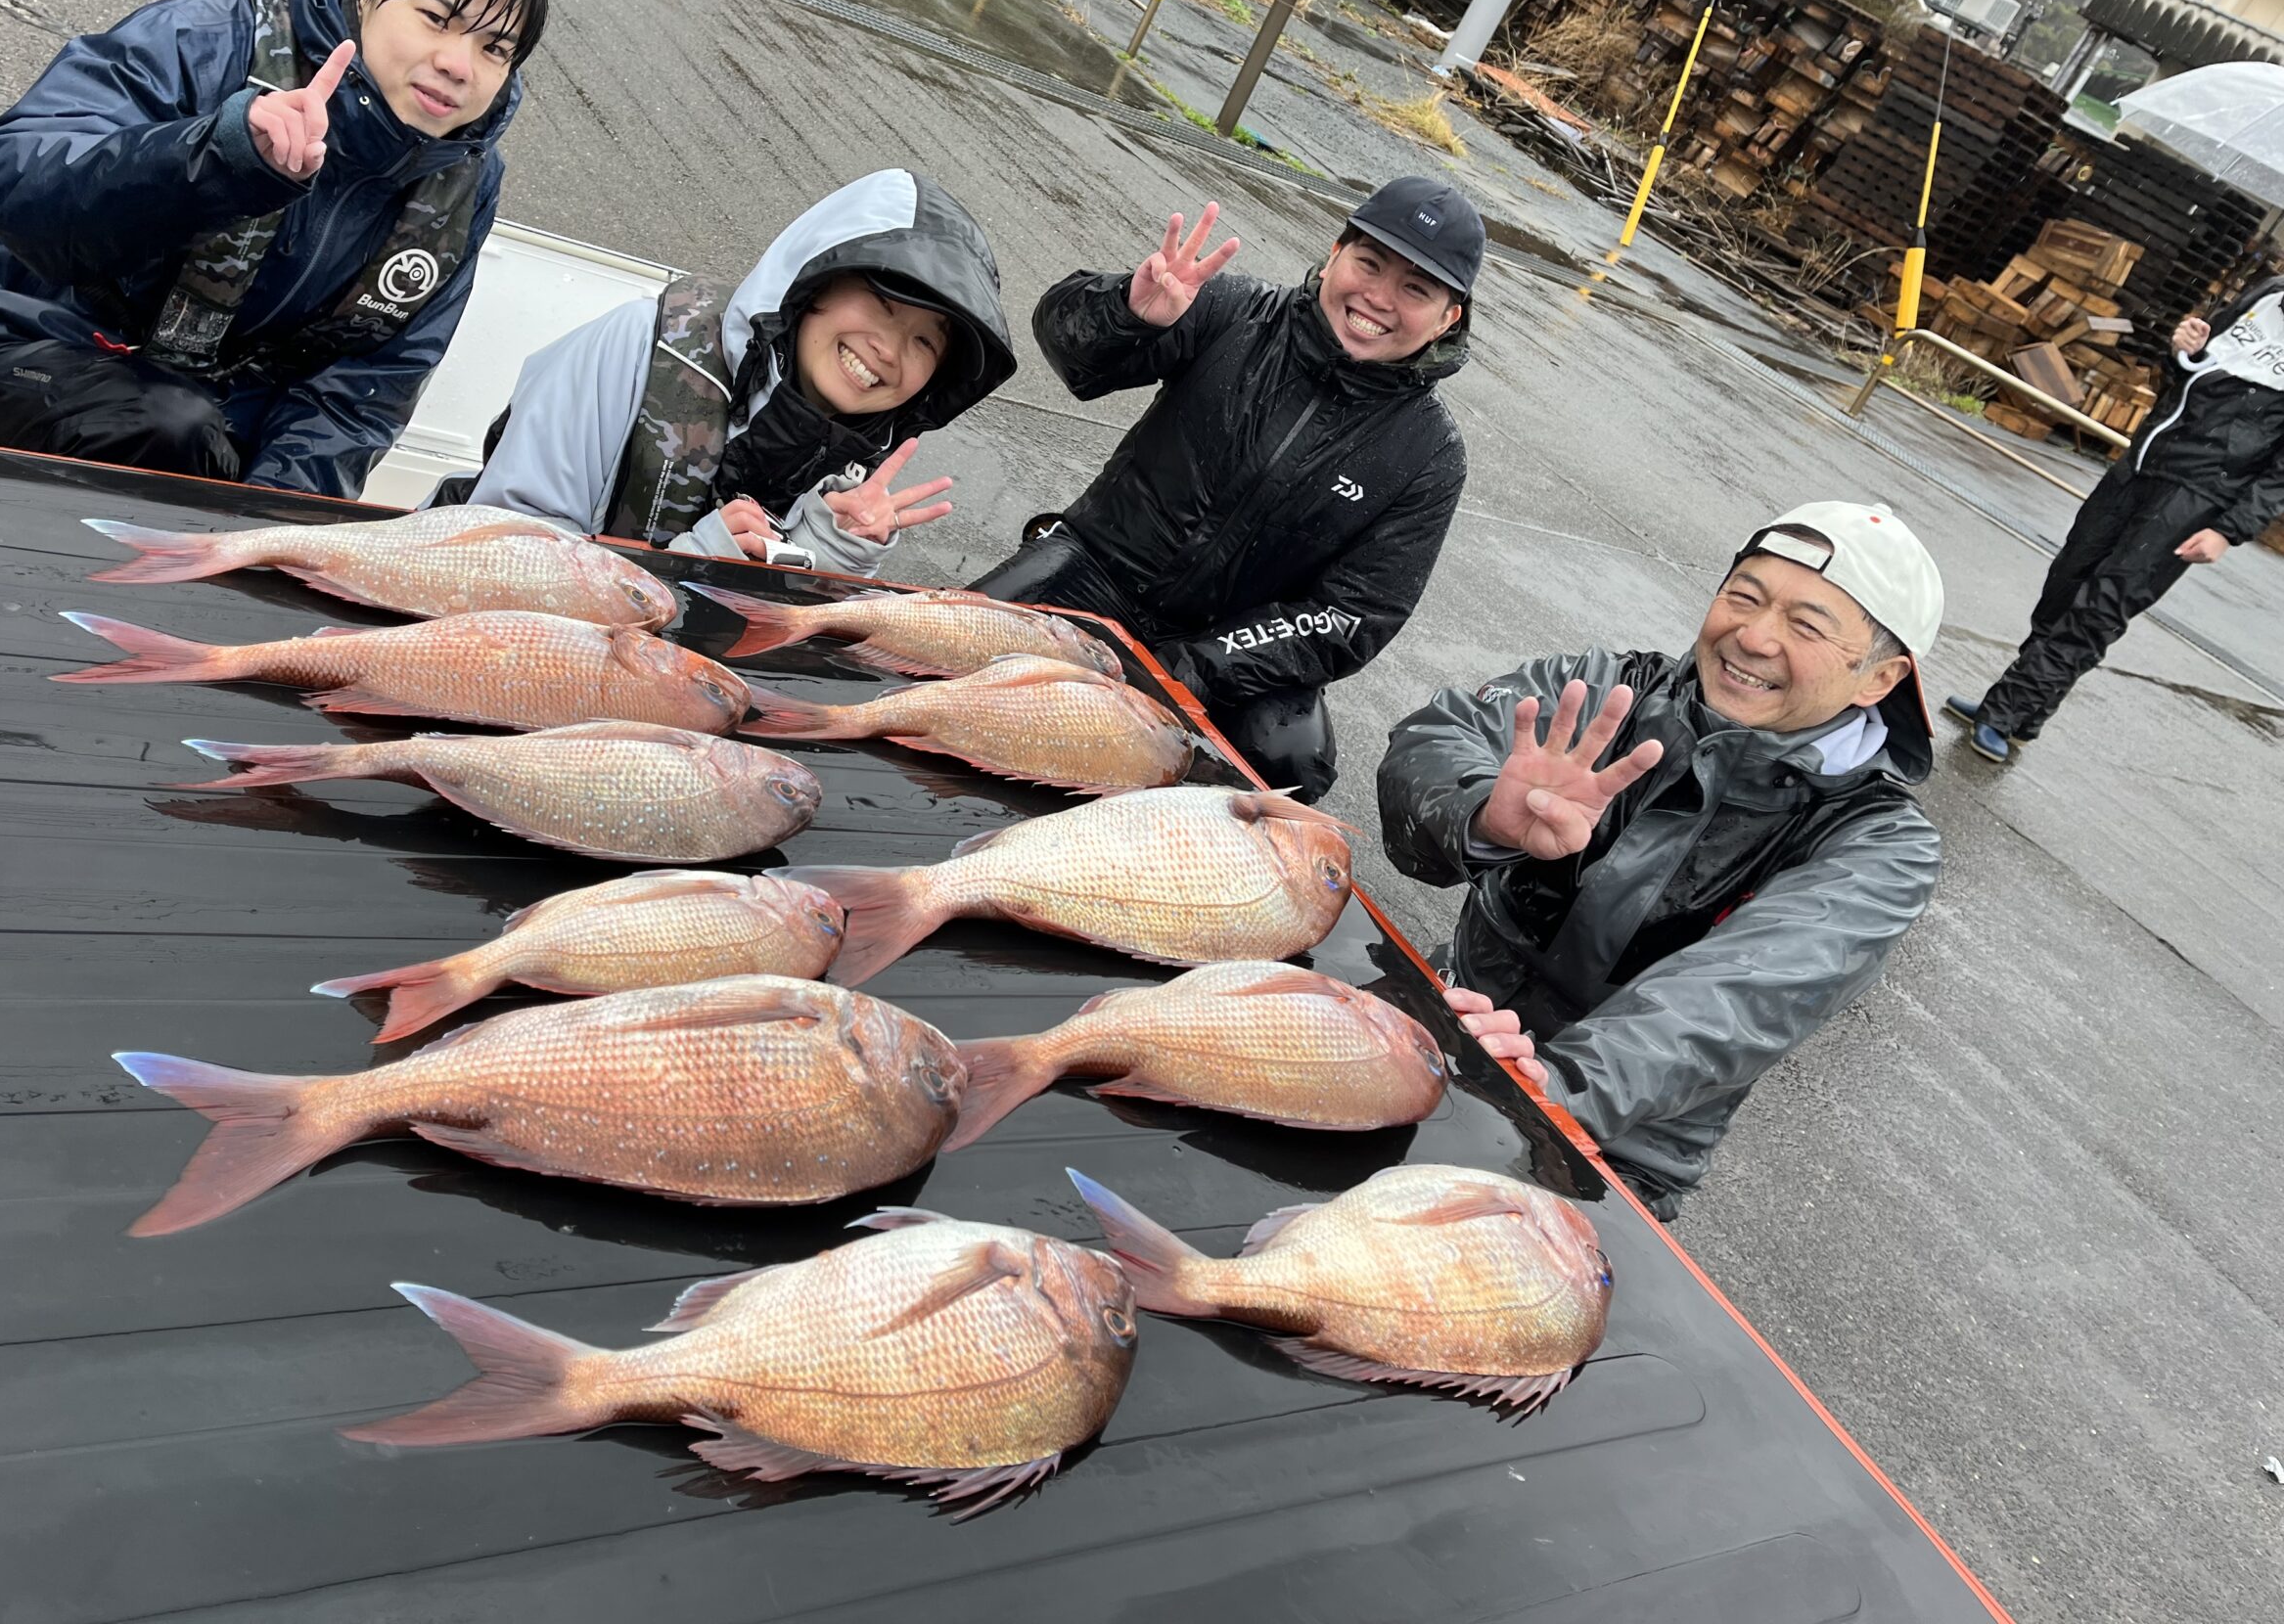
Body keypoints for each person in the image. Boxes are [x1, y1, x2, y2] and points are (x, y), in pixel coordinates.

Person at [1376, 503, 1944, 1221]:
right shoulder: (1610, 686)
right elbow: (1440, 736)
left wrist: (1553, 1082)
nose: (1754, 636)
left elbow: (1729, 1000)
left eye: (1805, 626)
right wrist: (1486, 815)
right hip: (1448, 1013)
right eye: (1744, 595)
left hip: (1605, 1149)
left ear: (1879, 677)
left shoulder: (1880, 844)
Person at [0, 0, 547, 498]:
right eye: (436, 18)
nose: (458, 65)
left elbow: (360, 397)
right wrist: (219, 159)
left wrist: (267, 525)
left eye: (494, 48)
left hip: (214, 415)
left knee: (251, 505)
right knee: (169, 433)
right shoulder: (213, 39)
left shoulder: (466, 182)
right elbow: (21, 191)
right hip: (25, 339)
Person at [969, 177, 1480, 802]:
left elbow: (1356, 613)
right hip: (1098, 570)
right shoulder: (1235, 310)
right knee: (965, 640)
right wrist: (1127, 314)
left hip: (1233, 647)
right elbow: (1078, 359)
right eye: (1369, 263)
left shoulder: (1430, 454)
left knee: (1289, 761)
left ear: (1447, 317)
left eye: (1416, 288)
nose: (1377, 298)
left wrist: (1200, 665)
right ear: (1335, 252)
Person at [463, 169, 1014, 578]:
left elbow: (776, 642)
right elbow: (498, 557)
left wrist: (838, 554)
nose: (889, 351)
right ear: (813, 281)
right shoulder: (639, 345)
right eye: (883, 305)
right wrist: (696, 567)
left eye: (924, 341)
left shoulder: (858, 454)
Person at [1948, 289, 2284, 761]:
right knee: (2067, 579)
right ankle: (2025, 715)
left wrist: (2230, 531)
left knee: (2101, 608)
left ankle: (2001, 713)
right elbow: (2186, 379)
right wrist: (2182, 351)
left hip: (2199, 497)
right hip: (2143, 462)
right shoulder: (2264, 297)